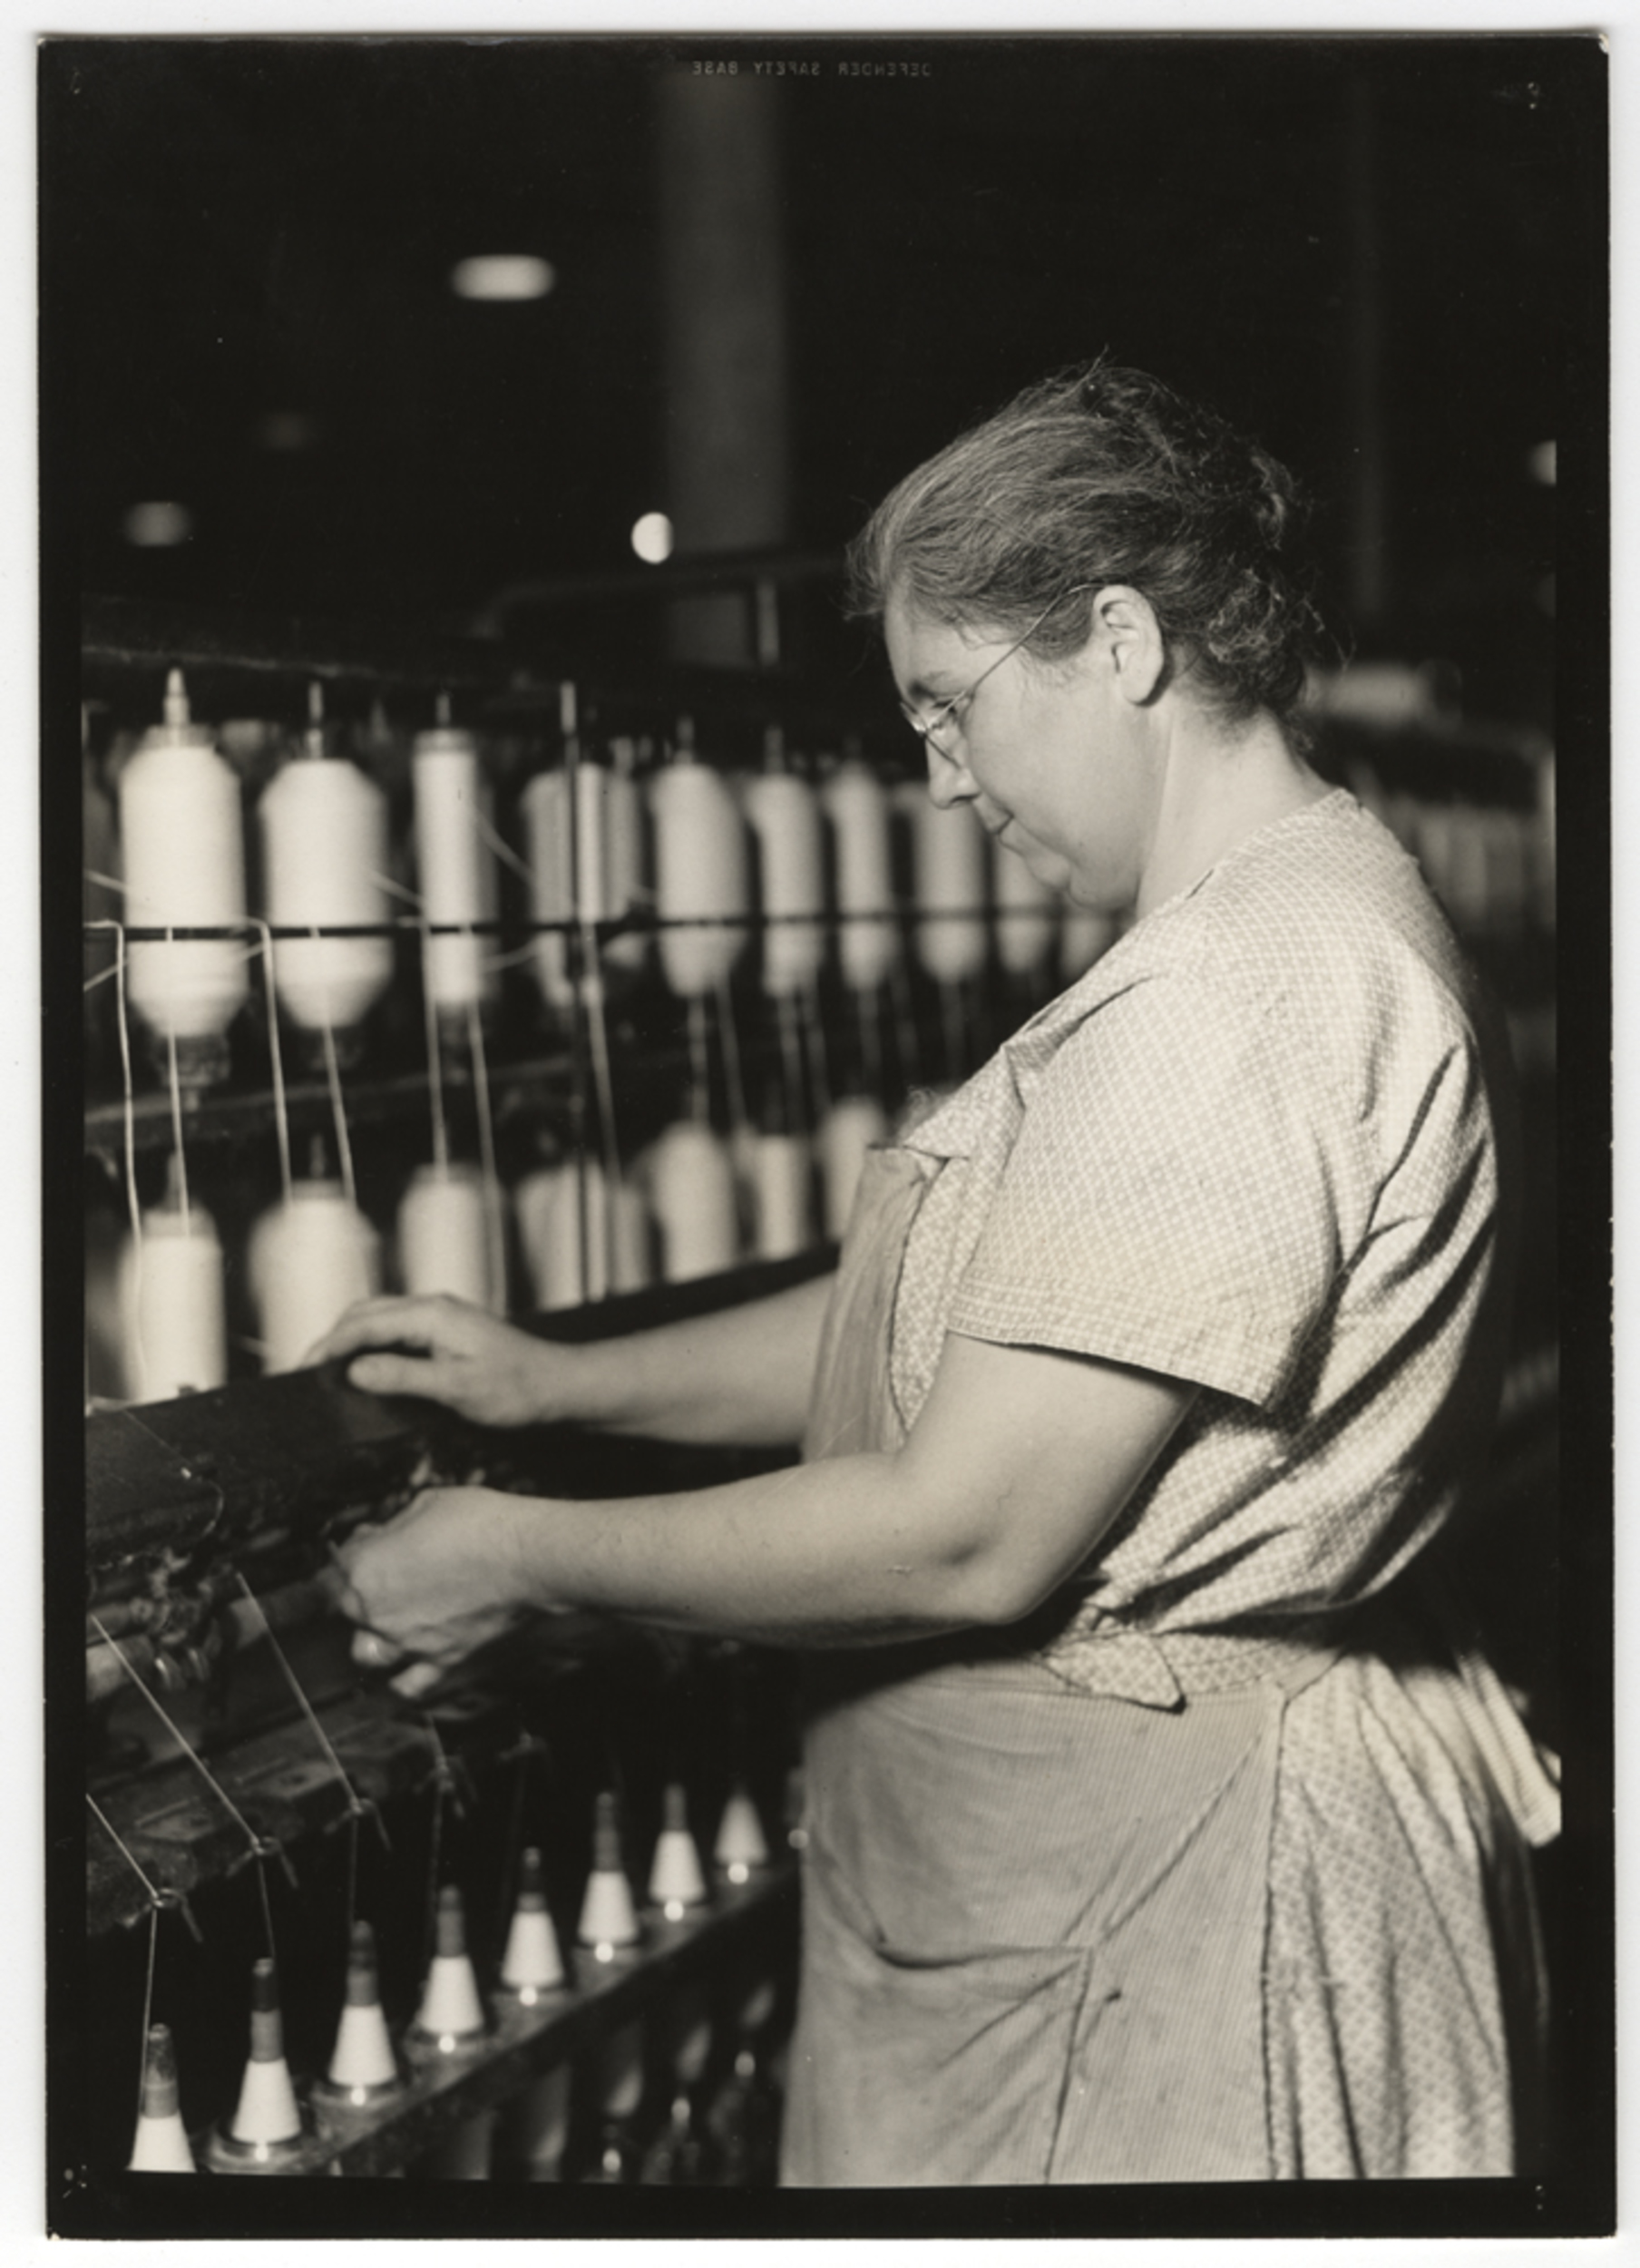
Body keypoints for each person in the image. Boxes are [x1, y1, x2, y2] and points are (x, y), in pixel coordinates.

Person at [311, 361, 1558, 2184]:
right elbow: (990, 1335)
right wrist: (562, 1381)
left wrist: (520, 1553)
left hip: (1161, 1913)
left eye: (950, 705)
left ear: (1118, 640)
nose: (942, 777)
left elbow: (965, 1524)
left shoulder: (1234, 998)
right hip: (1116, 1891)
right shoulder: (1275, 928)